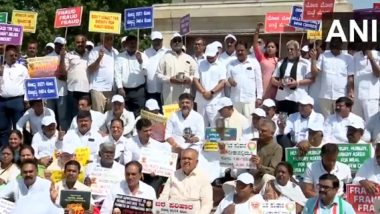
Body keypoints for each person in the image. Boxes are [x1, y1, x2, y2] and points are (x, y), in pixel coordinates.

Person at [310, 37, 354, 118]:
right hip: (325, 96)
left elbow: (350, 77)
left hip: (341, 95)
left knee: (341, 119)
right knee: (327, 121)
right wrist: (313, 59)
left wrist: (351, 92)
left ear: (341, 46)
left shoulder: (349, 58)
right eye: (333, 48)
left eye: (337, 48)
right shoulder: (323, 56)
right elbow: (314, 73)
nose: (335, 51)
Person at [159, 148, 213, 214]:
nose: (186, 161)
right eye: (183, 158)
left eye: (189, 159)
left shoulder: (203, 178)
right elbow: (164, 197)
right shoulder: (173, 175)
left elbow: (207, 204)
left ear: (196, 162)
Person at [125, 118, 170, 193]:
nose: (149, 133)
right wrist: (138, 172)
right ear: (138, 131)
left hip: (151, 175)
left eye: (150, 130)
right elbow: (127, 162)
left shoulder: (156, 144)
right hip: (135, 173)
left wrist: (157, 170)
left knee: (156, 182)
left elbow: (160, 162)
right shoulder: (130, 143)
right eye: (145, 131)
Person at [271, 40, 313, 115]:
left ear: (297, 50)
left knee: (296, 122)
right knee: (282, 122)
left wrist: (297, 83)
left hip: (298, 99)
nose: (289, 51)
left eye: (292, 49)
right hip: (282, 98)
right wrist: (279, 83)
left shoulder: (305, 63)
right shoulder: (281, 63)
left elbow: (311, 79)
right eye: (288, 49)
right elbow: (273, 79)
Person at [157, 33, 198, 105]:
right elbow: (158, 74)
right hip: (169, 95)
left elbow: (195, 73)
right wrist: (169, 79)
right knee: (170, 116)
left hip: (185, 93)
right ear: (171, 44)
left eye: (179, 41)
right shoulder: (165, 58)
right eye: (175, 41)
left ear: (182, 43)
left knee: (184, 114)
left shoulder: (189, 58)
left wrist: (190, 79)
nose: (177, 42)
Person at [0, 45, 29, 147]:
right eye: (11, 55)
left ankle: (20, 150)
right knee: (3, 128)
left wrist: (26, 100)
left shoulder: (22, 68)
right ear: (5, 55)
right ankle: (4, 149)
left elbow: (27, 84)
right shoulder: (1, 68)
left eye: (16, 55)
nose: (14, 57)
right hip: (2, 101)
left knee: (19, 127)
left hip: (17, 101)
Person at [227, 41, 263, 118]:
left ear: (246, 50)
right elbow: (227, 77)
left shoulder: (254, 62)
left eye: (242, 50)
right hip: (235, 99)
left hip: (249, 100)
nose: (240, 52)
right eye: (238, 51)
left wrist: (259, 97)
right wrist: (230, 80)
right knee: (235, 123)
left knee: (249, 123)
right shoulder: (231, 64)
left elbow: (259, 81)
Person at [194, 43, 226, 126]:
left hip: (215, 101)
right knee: (200, 125)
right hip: (201, 100)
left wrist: (212, 92)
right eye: (208, 57)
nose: (209, 59)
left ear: (217, 54)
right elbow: (195, 80)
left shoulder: (221, 65)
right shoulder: (200, 63)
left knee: (215, 125)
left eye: (212, 57)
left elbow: (222, 82)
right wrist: (203, 92)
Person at [115, 35, 148, 117]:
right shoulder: (120, 57)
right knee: (124, 114)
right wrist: (119, 87)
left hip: (139, 90)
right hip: (124, 91)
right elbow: (117, 73)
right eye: (131, 43)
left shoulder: (143, 56)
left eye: (134, 43)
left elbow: (146, 73)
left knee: (139, 114)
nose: (133, 45)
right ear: (126, 44)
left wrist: (141, 62)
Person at [88, 33, 119, 113]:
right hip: (98, 89)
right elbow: (90, 69)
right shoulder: (95, 51)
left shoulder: (115, 52)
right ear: (102, 39)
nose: (109, 41)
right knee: (98, 116)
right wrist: (99, 58)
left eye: (110, 38)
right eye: (106, 38)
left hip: (111, 90)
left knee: (110, 116)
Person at [64, 34, 90, 119]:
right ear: (75, 43)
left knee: (85, 114)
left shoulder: (90, 55)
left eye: (82, 42)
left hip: (86, 89)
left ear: (86, 43)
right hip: (72, 89)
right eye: (78, 42)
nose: (80, 44)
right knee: (73, 115)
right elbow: (64, 71)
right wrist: (61, 56)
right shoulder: (68, 55)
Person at [351, 46, 380, 121]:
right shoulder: (356, 56)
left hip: (370, 97)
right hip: (357, 97)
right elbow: (352, 75)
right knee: (357, 123)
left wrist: (371, 59)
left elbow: (378, 74)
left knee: (371, 123)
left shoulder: (378, 54)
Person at [47, 36, 69, 131]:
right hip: (50, 92)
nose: (59, 47)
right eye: (57, 44)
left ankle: (62, 134)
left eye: (61, 45)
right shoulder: (47, 58)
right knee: (50, 116)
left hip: (62, 91)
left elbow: (64, 75)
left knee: (62, 116)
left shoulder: (68, 56)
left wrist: (63, 57)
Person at [144, 31, 168, 109]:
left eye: (159, 40)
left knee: (163, 110)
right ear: (152, 41)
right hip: (150, 89)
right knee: (151, 111)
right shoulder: (146, 52)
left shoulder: (167, 52)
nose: (157, 42)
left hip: (164, 88)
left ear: (162, 40)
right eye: (155, 40)